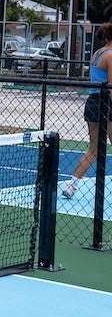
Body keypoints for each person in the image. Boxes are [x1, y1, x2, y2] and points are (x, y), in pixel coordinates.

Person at [62, 22, 112, 198]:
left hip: (92, 102)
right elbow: (111, 87)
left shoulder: (97, 54)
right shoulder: (110, 56)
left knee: (94, 149)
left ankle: (71, 185)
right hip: (106, 102)